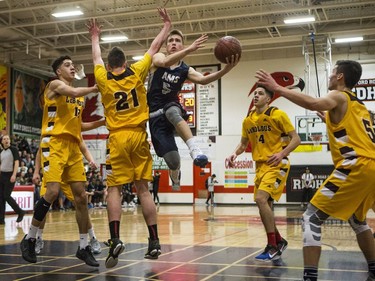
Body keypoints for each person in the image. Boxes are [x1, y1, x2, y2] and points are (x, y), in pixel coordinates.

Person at [255, 60, 375, 281]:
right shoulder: (361, 107)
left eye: (332, 72)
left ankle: (310, 277)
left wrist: (278, 88)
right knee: (358, 221)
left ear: (340, 77)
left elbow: (312, 103)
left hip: (355, 164)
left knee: (311, 217)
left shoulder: (340, 96)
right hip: (371, 166)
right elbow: (349, 129)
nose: (329, 76)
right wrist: (329, 119)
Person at [87, 7, 171, 268]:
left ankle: (115, 238)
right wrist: (166, 26)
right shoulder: (137, 72)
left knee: (114, 188)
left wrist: (94, 36)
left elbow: (97, 58)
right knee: (143, 189)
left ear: (111, 66)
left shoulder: (103, 78)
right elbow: (154, 47)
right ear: (125, 63)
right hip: (138, 136)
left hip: (117, 138)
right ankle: (154, 241)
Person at [20, 55, 99, 267]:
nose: (72, 67)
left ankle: (84, 246)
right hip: (53, 143)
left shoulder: (79, 98)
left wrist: (104, 120)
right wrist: (94, 88)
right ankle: (30, 238)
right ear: (58, 71)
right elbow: (73, 91)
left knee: (81, 197)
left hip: (73, 147)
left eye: (73, 64)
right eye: (67, 65)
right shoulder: (54, 85)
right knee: (52, 192)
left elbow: (79, 125)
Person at [148, 30, 239, 190]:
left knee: (172, 110)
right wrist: (190, 49)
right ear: (167, 46)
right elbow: (165, 63)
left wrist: (226, 70)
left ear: (181, 44)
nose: (174, 43)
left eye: (177, 40)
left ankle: (194, 150)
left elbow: (203, 80)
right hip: (155, 116)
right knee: (173, 160)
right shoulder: (158, 57)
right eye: (171, 41)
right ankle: (175, 172)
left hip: (172, 107)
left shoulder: (185, 69)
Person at [226, 85, 301, 262]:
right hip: (260, 166)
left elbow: (296, 139)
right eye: (255, 93)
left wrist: (282, 153)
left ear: (268, 99)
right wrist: (234, 154)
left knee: (261, 199)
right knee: (264, 205)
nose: (256, 96)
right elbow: (243, 145)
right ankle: (279, 240)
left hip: (277, 163)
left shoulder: (278, 115)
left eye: (260, 94)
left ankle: (272, 245)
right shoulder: (248, 120)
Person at [32, 138, 103, 255]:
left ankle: (93, 238)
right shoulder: (49, 130)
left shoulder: (71, 129)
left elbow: (82, 145)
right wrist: (36, 171)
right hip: (51, 172)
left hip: (68, 173)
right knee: (42, 206)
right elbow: (40, 151)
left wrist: (90, 160)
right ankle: (38, 238)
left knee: (81, 206)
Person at [0, 134, 25, 224]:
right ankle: (1, 219)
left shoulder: (13, 149)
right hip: (2, 175)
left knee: (6, 195)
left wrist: (14, 174)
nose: (6, 140)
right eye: (4, 139)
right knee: (1, 198)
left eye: (8, 138)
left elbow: (17, 162)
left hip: (10, 175)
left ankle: (20, 212)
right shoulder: (1, 152)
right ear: (2, 142)